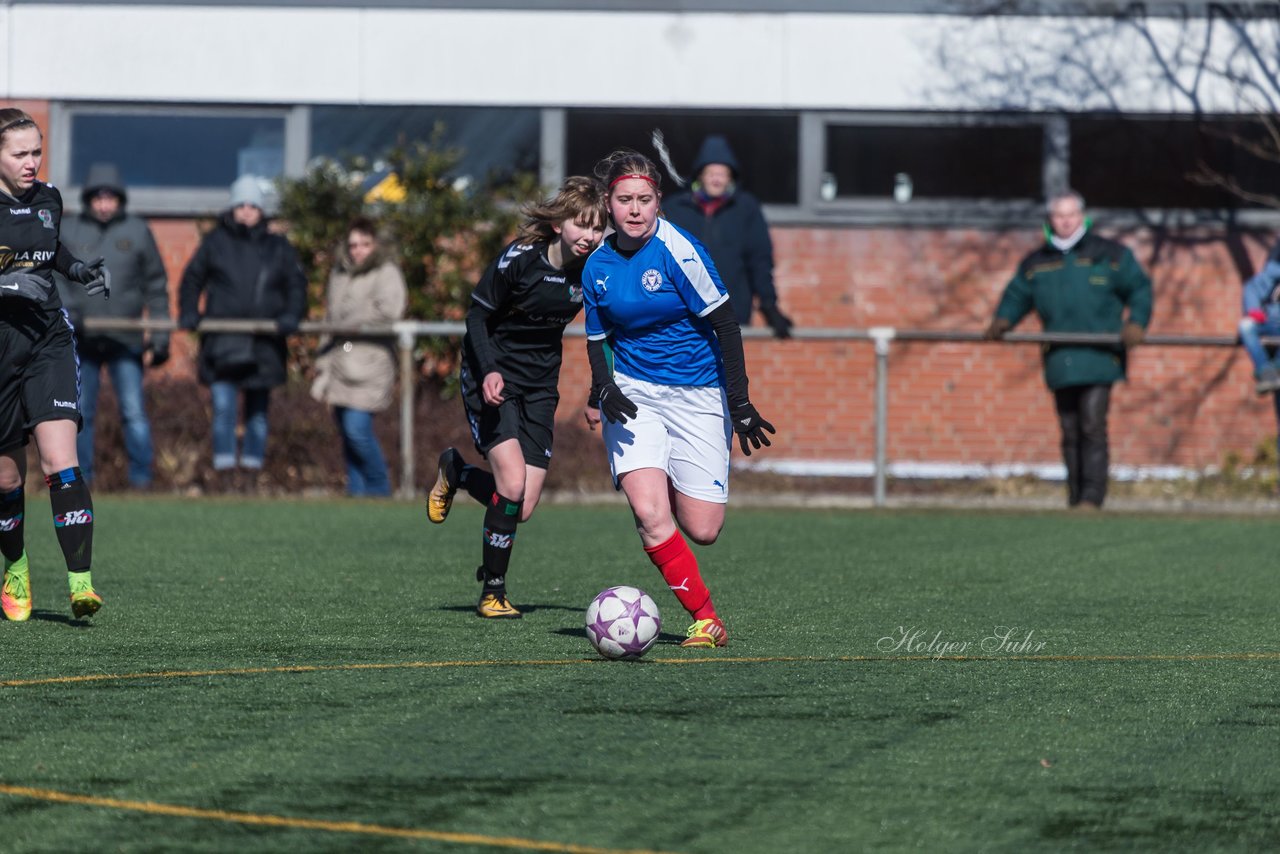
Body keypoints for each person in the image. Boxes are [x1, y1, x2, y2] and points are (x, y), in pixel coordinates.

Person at [580, 149, 776, 648]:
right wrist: (601, 385)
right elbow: (597, 337)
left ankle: (660, 470)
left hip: (698, 393)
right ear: (609, 203)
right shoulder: (598, 263)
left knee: (703, 528)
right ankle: (706, 620)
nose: (636, 209)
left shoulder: (679, 250)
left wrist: (741, 402)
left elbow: (726, 325)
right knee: (649, 513)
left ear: (658, 202)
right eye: (625, 200)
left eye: (645, 199)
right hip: (636, 392)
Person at [426, 176, 608, 618]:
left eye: (598, 228)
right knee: (510, 485)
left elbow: (606, 331)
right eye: (581, 225)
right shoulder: (520, 259)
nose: (589, 236)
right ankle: (493, 591)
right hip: (493, 380)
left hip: (541, 386)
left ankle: (458, 473)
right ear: (560, 223)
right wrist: (488, 370)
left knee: (521, 505)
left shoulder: (596, 270)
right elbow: (476, 315)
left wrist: (595, 391)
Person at [0, 108, 111, 621]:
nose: (31, 163)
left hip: (47, 339)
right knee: (6, 480)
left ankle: (81, 583)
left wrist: (78, 269)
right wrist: (6, 284)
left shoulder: (49, 198)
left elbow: (50, 249)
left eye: (36, 152)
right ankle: (16, 567)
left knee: (60, 462)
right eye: (19, 154)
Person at [984, 189, 1152, 510]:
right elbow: (1017, 294)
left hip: (1101, 355)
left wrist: (1137, 322)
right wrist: (1003, 320)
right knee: (1070, 428)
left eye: (1071, 215)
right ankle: (1074, 497)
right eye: (1059, 216)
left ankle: (1092, 497)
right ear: (1051, 220)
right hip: (1061, 357)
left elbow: (1140, 289)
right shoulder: (1038, 262)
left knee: (1092, 425)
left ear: (1083, 217)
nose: (1065, 222)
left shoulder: (1111, 254)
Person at [178, 175, 306, 490]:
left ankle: (251, 472)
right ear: (233, 208)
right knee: (223, 408)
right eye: (242, 205)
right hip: (223, 343)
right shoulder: (215, 243)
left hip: (264, 345)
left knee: (258, 413)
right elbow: (192, 279)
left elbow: (296, 285)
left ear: (261, 210)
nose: (247, 211)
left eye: (253, 205)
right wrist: (190, 311)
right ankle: (224, 472)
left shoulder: (279, 247)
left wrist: (292, 314)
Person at [56, 162, 171, 490]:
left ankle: (141, 480)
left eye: (111, 198)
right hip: (81, 338)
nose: (104, 204)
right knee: (82, 413)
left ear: (120, 199)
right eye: (98, 198)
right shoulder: (70, 230)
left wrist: (160, 337)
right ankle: (81, 480)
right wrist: (70, 310)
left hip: (126, 338)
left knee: (134, 412)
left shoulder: (137, 231)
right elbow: (55, 275)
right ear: (89, 199)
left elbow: (156, 285)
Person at [311, 218, 407, 497]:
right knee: (346, 436)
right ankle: (357, 494)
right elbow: (330, 321)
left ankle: (380, 489)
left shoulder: (386, 272)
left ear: (375, 244)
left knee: (357, 430)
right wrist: (322, 364)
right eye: (353, 245)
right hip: (339, 363)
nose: (358, 250)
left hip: (371, 364)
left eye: (364, 244)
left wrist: (352, 320)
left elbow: (390, 311)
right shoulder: (339, 274)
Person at [663, 135, 793, 338]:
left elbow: (759, 260)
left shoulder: (746, 208)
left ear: (731, 177)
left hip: (730, 313)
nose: (716, 179)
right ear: (700, 175)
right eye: (711, 173)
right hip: (681, 314)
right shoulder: (675, 208)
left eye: (722, 174)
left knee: (726, 369)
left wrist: (769, 304)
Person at [1237, 241, 1280, 395]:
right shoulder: (1272, 274)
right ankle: (1266, 371)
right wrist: (1254, 310)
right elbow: (1252, 288)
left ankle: (1277, 368)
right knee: (1246, 325)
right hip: (1272, 321)